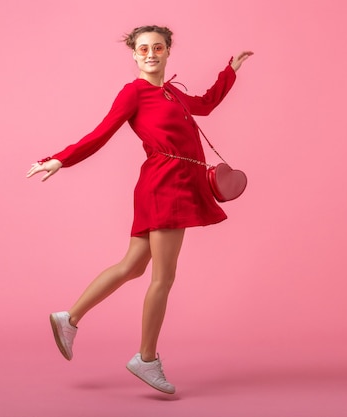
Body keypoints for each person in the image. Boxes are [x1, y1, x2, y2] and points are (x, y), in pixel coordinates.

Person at [26, 25, 252, 394]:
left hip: (171, 183)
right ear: (133, 54)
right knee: (163, 278)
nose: (150, 53)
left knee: (132, 266)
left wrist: (231, 71)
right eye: (143, 48)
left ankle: (69, 318)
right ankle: (146, 359)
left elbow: (206, 105)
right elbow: (100, 133)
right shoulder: (134, 93)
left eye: (157, 47)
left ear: (167, 52)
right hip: (165, 186)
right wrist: (59, 160)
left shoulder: (172, 93)